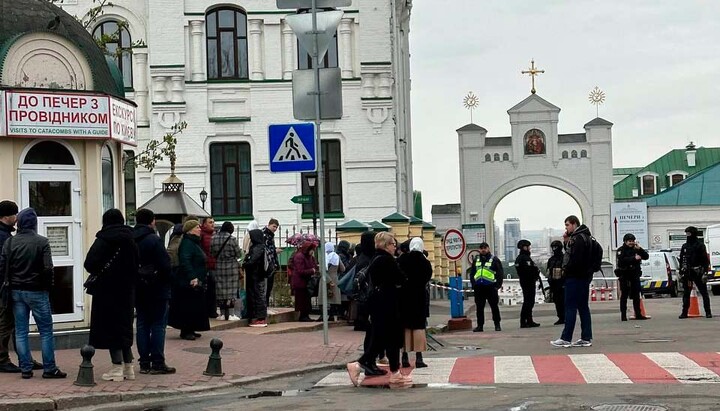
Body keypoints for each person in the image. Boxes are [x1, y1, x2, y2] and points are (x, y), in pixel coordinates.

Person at [1, 208, 66, 379]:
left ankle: (25, 369)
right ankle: (50, 369)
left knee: (21, 330)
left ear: (20, 223)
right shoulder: (42, 242)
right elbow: (48, 268)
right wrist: (48, 287)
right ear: (34, 223)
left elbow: (3, 267)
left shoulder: (9, 242)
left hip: (15, 291)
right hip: (37, 291)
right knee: (45, 330)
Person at [346, 233, 411, 389]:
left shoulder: (375, 258)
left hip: (378, 303)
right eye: (392, 244)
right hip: (387, 303)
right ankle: (391, 372)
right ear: (385, 245)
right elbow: (401, 279)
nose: (395, 247)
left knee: (382, 339)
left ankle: (392, 372)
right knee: (392, 338)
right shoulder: (387, 260)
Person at [84, 209, 138, 381]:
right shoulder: (131, 240)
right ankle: (129, 368)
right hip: (127, 290)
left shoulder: (103, 239)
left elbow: (89, 263)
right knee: (124, 327)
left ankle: (116, 368)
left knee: (110, 327)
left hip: (106, 290)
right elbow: (136, 264)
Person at [0, 200, 42, 374]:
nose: (17, 218)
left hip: (8, 286)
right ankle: (2, 359)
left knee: (18, 323)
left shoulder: (6, 235)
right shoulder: (4, 237)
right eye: (15, 215)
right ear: (7, 216)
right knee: (6, 323)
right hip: (5, 288)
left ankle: (25, 359)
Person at [133, 209, 175, 375]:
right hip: (157, 288)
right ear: (152, 221)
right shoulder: (154, 240)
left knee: (142, 324)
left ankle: (144, 362)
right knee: (158, 325)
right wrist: (168, 280)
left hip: (139, 287)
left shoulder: (131, 239)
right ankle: (157, 361)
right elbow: (165, 265)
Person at [551, 215, 594, 348]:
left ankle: (566, 338)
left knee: (570, 306)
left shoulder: (577, 239)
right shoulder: (587, 237)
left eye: (567, 225)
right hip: (584, 277)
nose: (566, 228)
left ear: (574, 224)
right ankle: (586, 337)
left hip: (574, 277)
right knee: (583, 307)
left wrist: (567, 271)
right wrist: (566, 242)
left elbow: (573, 258)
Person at [168, 220, 210, 340]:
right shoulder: (187, 243)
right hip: (189, 282)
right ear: (190, 230)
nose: (200, 229)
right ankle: (186, 330)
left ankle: (191, 328)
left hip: (196, 280)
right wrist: (192, 276)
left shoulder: (194, 242)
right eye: (197, 227)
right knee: (188, 306)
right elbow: (185, 260)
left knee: (195, 306)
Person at [399, 237, 433, 369]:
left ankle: (404, 357)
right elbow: (427, 277)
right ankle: (419, 358)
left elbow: (398, 275)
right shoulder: (425, 262)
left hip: (404, 298)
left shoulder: (402, 259)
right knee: (419, 327)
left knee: (405, 327)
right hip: (419, 298)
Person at [679, 226, 712, 319]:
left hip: (698, 272)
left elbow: (705, 260)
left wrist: (705, 272)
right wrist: (681, 271)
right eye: (686, 234)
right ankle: (684, 312)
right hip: (688, 273)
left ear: (693, 234)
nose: (687, 235)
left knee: (704, 293)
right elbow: (682, 260)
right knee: (686, 293)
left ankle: (708, 312)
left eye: (689, 233)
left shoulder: (700, 245)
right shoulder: (685, 246)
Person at [615, 233, 649, 321]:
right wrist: (634, 259)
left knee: (636, 295)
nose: (631, 243)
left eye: (632, 241)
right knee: (624, 296)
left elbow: (646, 256)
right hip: (625, 275)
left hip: (634, 275)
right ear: (625, 242)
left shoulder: (636, 249)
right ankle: (623, 315)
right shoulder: (620, 250)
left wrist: (640, 249)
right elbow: (621, 261)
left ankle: (638, 314)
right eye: (629, 241)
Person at [470, 242, 503, 333]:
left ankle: (497, 324)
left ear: (488, 249)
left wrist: (497, 286)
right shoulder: (476, 260)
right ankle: (480, 326)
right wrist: (474, 284)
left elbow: (500, 273)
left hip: (491, 287)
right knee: (479, 308)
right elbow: (472, 273)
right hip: (479, 288)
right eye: (481, 248)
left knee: (494, 306)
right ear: (479, 249)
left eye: (485, 248)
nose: (483, 249)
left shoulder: (494, 259)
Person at [211, 222, 242, 321]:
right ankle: (232, 314)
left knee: (220, 290)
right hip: (231, 267)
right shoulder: (232, 239)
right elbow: (239, 254)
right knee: (231, 290)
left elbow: (211, 253)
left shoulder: (213, 238)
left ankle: (223, 314)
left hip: (219, 267)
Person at [352, 231, 377, 332]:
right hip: (365, 286)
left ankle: (361, 322)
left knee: (362, 303)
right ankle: (361, 322)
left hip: (362, 287)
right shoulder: (367, 257)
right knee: (364, 302)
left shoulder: (363, 255)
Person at [245, 228, 268, 327]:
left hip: (256, 274)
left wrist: (245, 263)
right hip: (257, 274)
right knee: (258, 294)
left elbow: (252, 261)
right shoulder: (259, 246)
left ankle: (260, 318)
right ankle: (258, 316)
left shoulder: (258, 248)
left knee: (258, 295)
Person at [515, 239, 541, 328]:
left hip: (526, 281)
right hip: (528, 282)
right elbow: (528, 270)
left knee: (529, 301)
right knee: (528, 302)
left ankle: (529, 320)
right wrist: (534, 274)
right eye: (528, 246)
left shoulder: (520, 258)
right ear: (524, 247)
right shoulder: (524, 258)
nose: (529, 248)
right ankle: (524, 321)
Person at [291, 241, 317, 322]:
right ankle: (303, 316)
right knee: (302, 300)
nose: (312, 252)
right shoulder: (299, 256)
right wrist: (311, 271)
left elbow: (313, 265)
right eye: (312, 250)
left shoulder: (308, 257)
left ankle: (306, 315)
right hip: (300, 282)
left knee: (306, 300)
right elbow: (300, 270)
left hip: (306, 282)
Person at [199, 217, 218, 319]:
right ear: (204, 224)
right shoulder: (202, 235)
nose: (212, 224)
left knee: (213, 290)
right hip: (207, 266)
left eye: (213, 222)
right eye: (210, 222)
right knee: (207, 290)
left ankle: (212, 310)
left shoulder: (214, 235)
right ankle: (207, 310)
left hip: (214, 265)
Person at [242, 221, 260, 319]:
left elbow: (244, 249)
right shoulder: (253, 237)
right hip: (252, 267)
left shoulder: (247, 235)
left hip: (248, 264)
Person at [324, 242, 345, 322]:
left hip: (325, 278)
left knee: (324, 297)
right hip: (335, 278)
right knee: (333, 298)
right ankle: (332, 315)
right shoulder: (336, 256)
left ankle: (323, 315)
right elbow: (343, 269)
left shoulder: (324, 257)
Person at [546, 240, 566, 325]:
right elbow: (548, 271)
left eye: (556, 247)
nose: (554, 249)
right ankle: (561, 317)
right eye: (553, 247)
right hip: (554, 283)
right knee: (557, 301)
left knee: (564, 301)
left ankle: (565, 317)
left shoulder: (564, 258)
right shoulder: (551, 260)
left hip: (563, 283)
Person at [263, 219, 280, 312]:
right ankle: (265, 307)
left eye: (276, 227)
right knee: (267, 287)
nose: (275, 229)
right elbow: (265, 249)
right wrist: (275, 251)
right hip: (268, 264)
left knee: (269, 287)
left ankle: (266, 306)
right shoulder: (265, 235)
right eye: (274, 226)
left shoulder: (270, 235)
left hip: (271, 264)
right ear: (269, 225)